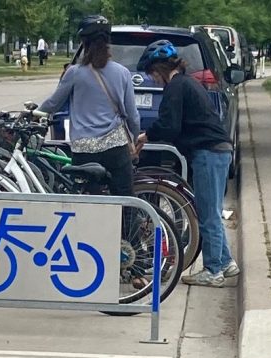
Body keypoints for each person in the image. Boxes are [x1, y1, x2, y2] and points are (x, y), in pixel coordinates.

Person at [134, 40, 239, 288]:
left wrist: (146, 136)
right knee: (211, 209)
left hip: (207, 152)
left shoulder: (176, 87)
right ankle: (225, 261)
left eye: (152, 74)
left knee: (207, 213)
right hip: (219, 150)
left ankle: (213, 271)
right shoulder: (189, 82)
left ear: (158, 69)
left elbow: (170, 126)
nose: (152, 80)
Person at [36, 15, 140, 199]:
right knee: (125, 200)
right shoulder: (123, 73)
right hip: (115, 149)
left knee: (87, 203)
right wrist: (133, 139)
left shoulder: (74, 73)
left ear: (83, 42)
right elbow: (132, 116)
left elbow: (53, 104)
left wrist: (34, 113)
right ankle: (128, 227)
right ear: (108, 42)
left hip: (84, 152)